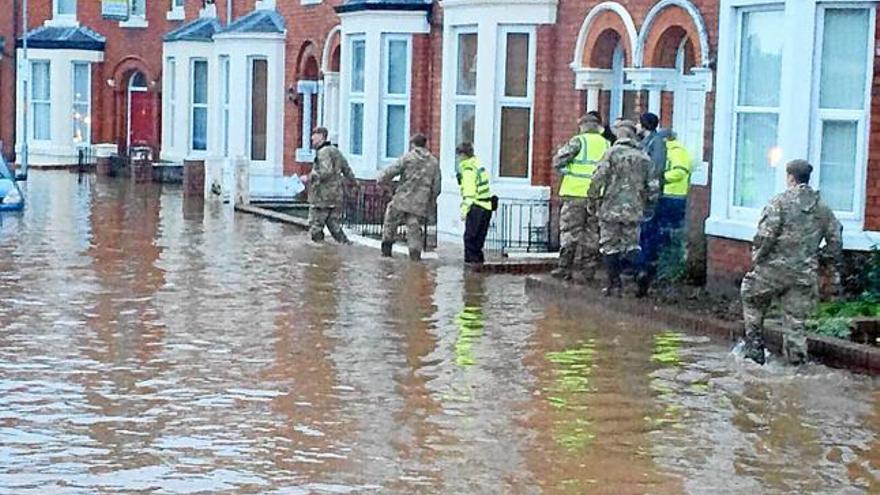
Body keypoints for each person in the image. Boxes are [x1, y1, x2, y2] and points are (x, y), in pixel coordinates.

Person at [740, 159, 843, 366]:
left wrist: (757, 258)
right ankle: (797, 366)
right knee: (795, 324)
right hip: (803, 274)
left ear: (790, 177)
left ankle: (754, 349)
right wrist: (820, 259)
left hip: (772, 271)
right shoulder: (823, 208)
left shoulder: (779, 202)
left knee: (751, 297)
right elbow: (836, 241)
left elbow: (766, 236)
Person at [587, 120, 659, 297]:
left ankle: (614, 284)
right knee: (631, 245)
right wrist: (649, 205)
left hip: (611, 208)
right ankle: (641, 271)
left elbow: (597, 179)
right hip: (634, 209)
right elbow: (653, 186)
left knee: (609, 246)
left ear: (620, 134)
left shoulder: (611, 154)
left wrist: (592, 199)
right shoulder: (644, 157)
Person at [551, 113, 611, 282]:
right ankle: (589, 270)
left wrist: (566, 169)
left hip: (575, 194)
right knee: (592, 232)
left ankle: (564, 268)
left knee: (570, 232)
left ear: (583, 126)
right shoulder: (607, 144)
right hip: (597, 196)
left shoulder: (578, 141)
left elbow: (558, 161)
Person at [379, 134, 442, 261]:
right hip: (419, 202)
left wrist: (382, 181)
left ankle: (386, 253)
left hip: (402, 199)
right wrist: (430, 200)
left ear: (413, 144)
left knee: (390, 222)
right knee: (413, 228)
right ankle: (415, 258)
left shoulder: (408, 158)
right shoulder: (434, 162)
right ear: (426, 144)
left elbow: (390, 172)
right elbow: (437, 187)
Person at [636, 112, 674, 296]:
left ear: (644, 125)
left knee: (648, 230)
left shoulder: (656, 143)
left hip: (650, 194)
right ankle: (642, 266)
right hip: (643, 194)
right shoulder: (648, 141)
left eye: (639, 123)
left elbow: (656, 167)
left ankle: (647, 268)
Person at [304, 127, 354, 244]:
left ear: (321, 136)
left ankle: (318, 254)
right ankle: (346, 245)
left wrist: (309, 177)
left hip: (322, 196)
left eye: (314, 135)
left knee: (315, 225)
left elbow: (326, 171)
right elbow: (346, 169)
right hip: (335, 195)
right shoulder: (335, 151)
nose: (312, 138)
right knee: (333, 224)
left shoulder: (323, 152)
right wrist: (354, 183)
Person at [456, 142, 493, 264]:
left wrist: (463, 211)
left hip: (476, 208)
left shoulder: (468, 169)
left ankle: (471, 275)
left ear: (463, 155)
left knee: (470, 241)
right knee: (478, 244)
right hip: (486, 207)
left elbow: (469, 194)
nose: (458, 159)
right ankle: (479, 271)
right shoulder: (477, 164)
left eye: (459, 156)